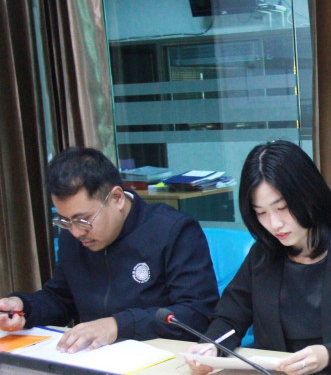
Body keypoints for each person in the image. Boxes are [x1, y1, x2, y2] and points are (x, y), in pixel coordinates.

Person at [186, 140, 331, 375]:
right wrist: (211, 347)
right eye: (261, 212)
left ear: (309, 195)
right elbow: (229, 319)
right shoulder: (262, 255)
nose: (274, 224)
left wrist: (328, 355)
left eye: (282, 207)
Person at [0, 147, 219, 352]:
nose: (76, 232)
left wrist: (118, 325)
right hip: (94, 358)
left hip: (161, 357)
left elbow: (196, 315)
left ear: (116, 198)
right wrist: (24, 308)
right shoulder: (73, 237)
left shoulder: (173, 231)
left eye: (83, 220)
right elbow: (61, 299)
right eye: (65, 221)